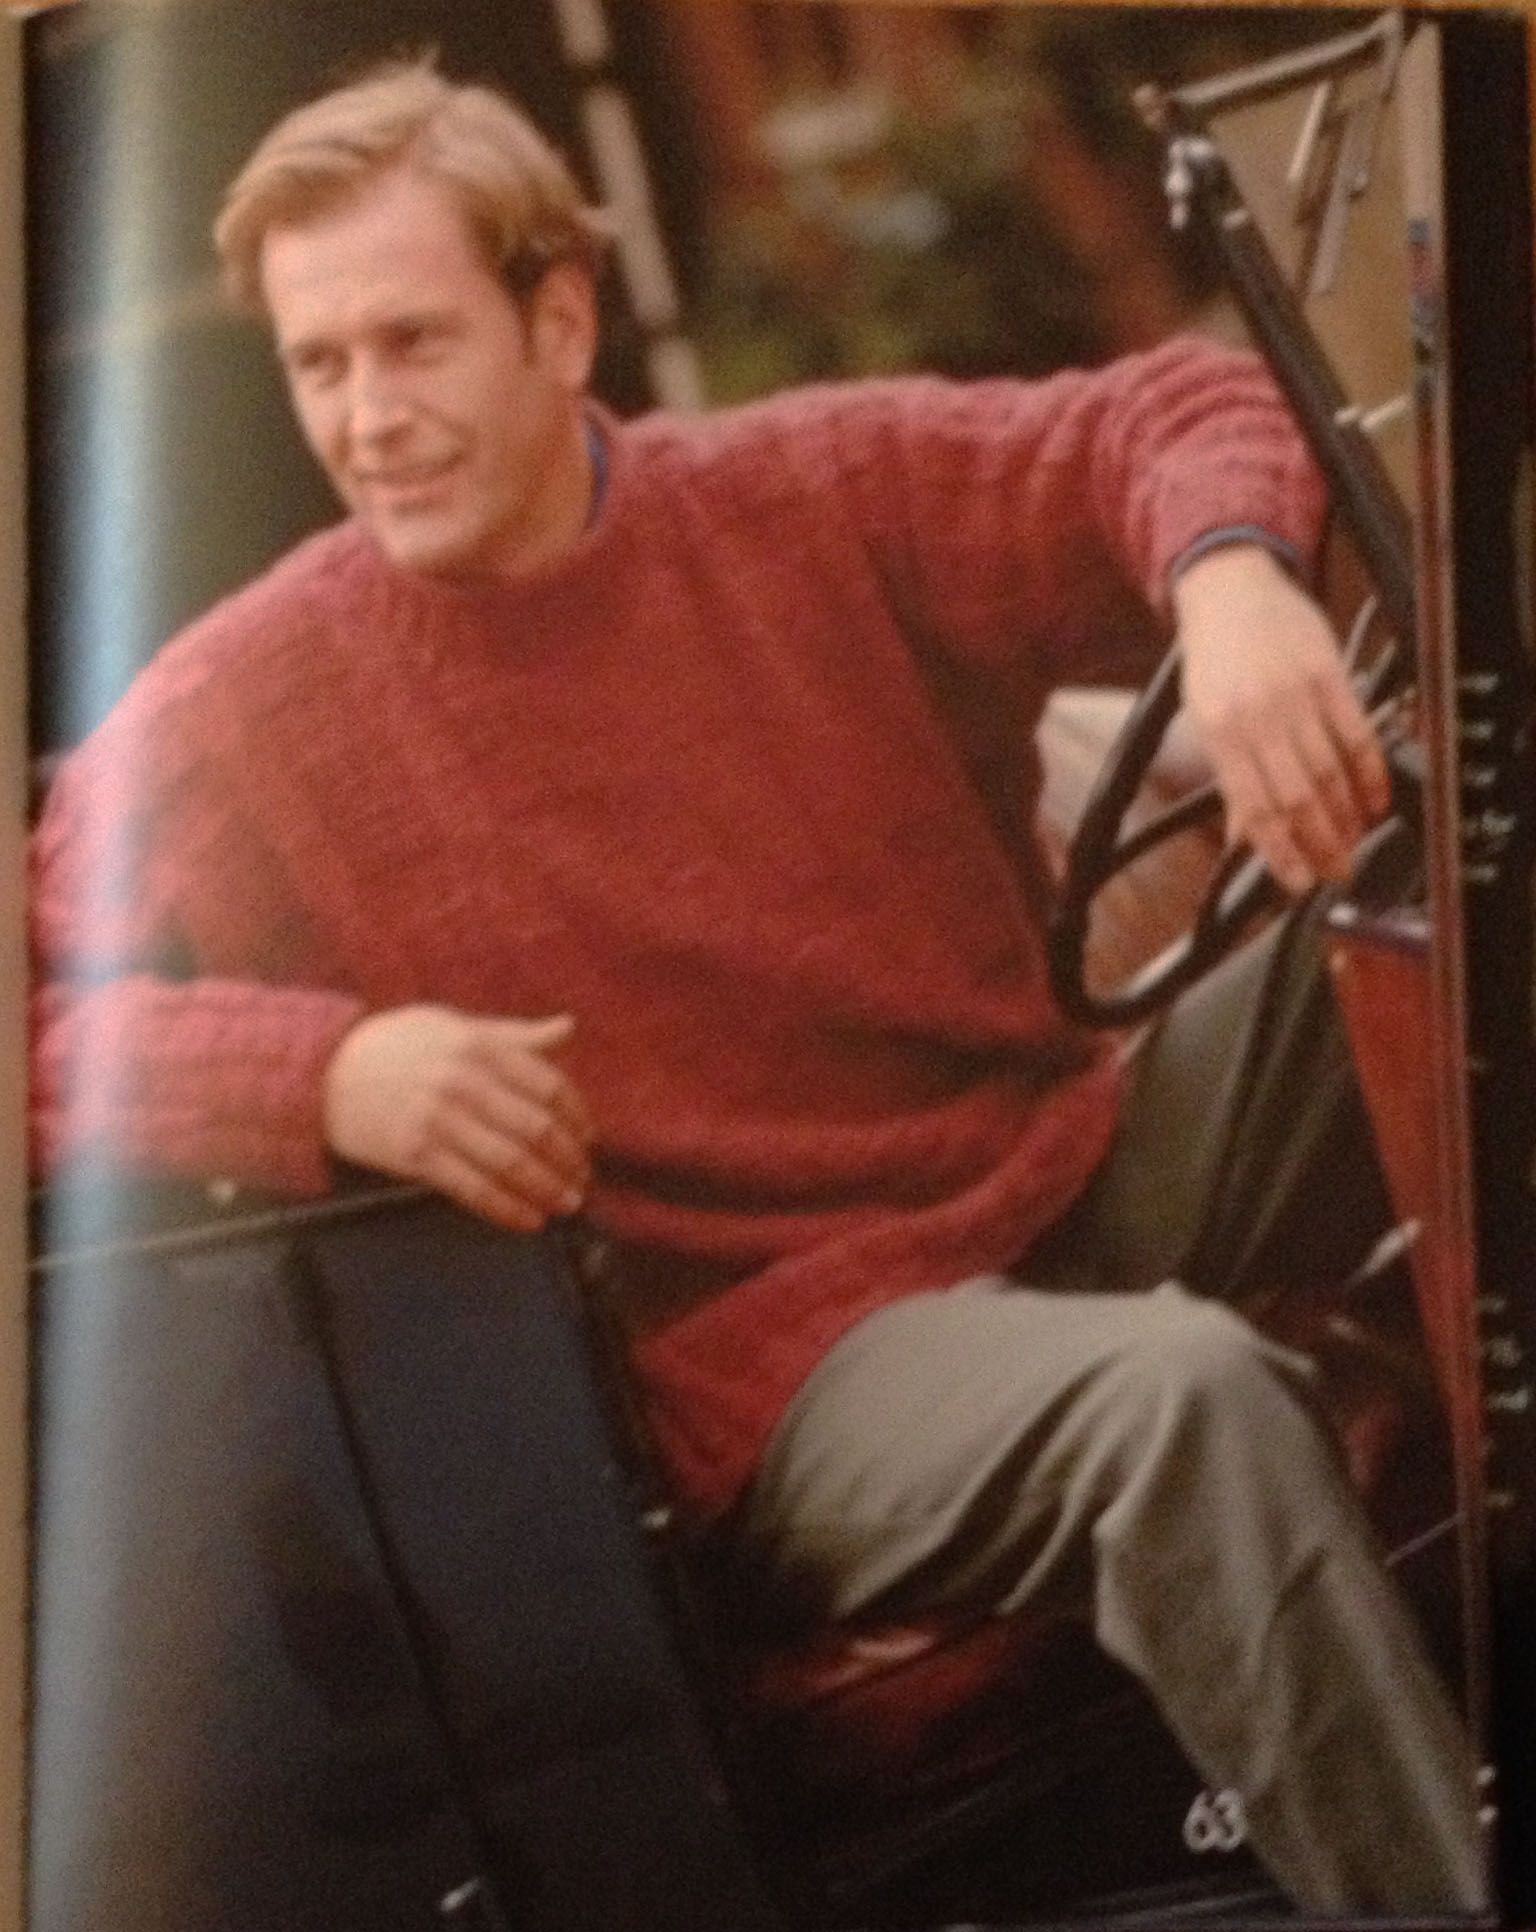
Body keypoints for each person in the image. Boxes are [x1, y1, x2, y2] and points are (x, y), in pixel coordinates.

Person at [28, 60, 1484, 1915]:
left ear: (561, 323)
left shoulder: (794, 494)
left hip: (1062, 1160)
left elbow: (1165, 409)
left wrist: (1229, 588)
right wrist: (325, 1073)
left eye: (412, 343)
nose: (368, 418)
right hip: (781, 1376)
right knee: (1182, 1400)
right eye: (321, 365)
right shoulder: (252, 708)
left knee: (1458, 882)